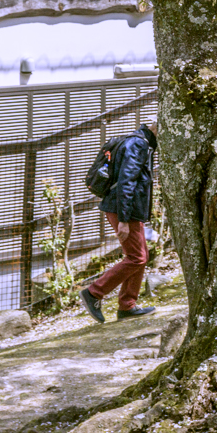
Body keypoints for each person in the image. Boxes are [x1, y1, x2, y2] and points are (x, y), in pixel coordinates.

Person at [80, 122, 158, 322]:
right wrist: (123, 219)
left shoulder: (138, 141)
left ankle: (127, 306)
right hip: (123, 209)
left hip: (128, 209)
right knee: (137, 258)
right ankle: (94, 292)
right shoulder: (138, 144)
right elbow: (126, 181)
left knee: (141, 255)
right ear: (157, 128)